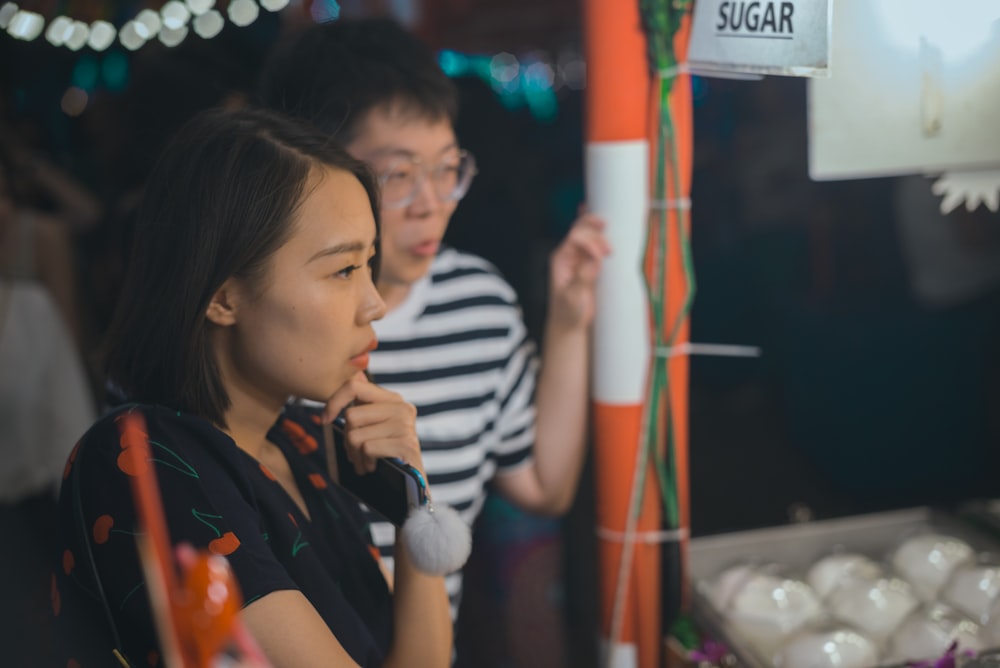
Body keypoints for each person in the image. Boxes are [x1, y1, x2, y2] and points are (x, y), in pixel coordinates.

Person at [52, 106, 452, 668]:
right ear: (221, 296)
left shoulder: (302, 440)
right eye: (342, 271)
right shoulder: (141, 458)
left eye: (369, 264)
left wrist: (414, 501)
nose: (375, 304)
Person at [257, 17, 609, 620]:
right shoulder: (271, 329)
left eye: (447, 169)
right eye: (397, 175)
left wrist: (570, 323)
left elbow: (545, 486)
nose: (432, 204)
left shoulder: (478, 302)